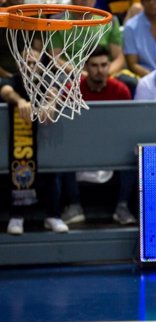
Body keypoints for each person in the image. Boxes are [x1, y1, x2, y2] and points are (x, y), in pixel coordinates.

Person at [60, 45, 138, 226]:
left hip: (112, 147)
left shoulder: (121, 91)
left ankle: (122, 207)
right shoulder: (72, 90)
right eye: (94, 65)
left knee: (133, 152)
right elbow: (66, 127)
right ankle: (74, 206)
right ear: (86, 67)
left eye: (104, 65)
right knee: (61, 151)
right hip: (79, 146)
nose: (100, 70)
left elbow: (126, 128)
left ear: (109, 65)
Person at [2, 49, 69, 235]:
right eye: (27, 63)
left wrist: (51, 103)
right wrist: (20, 101)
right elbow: (6, 91)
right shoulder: (13, 81)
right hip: (20, 143)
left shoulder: (47, 81)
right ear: (19, 65)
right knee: (19, 171)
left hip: (47, 143)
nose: (31, 67)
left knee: (53, 171)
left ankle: (53, 215)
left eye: (34, 64)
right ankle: (17, 216)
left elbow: (55, 92)